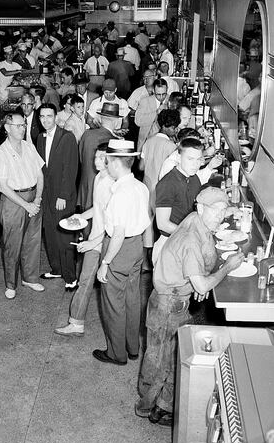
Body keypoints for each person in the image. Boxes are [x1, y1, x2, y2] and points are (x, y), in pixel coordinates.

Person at [135, 187, 244, 425]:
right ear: (202, 208)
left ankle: (156, 404)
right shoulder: (191, 239)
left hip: (169, 299)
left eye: (224, 211)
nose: (220, 216)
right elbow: (203, 286)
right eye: (216, 211)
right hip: (169, 305)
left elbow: (196, 270)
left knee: (163, 355)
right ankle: (151, 408)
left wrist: (197, 281)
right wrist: (227, 268)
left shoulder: (195, 219)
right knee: (166, 358)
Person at [94, 139, 150, 365]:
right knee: (132, 297)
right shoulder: (141, 187)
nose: (106, 165)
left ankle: (116, 354)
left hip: (119, 249)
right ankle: (132, 347)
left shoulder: (120, 194)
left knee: (113, 303)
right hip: (136, 246)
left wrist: (105, 262)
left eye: (107, 161)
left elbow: (117, 234)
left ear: (116, 163)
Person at [55, 143, 114, 336]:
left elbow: (111, 223)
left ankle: (77, 323)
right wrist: (80, 217)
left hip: (102, 241)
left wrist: (92, 243)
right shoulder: (99, 178)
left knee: (87, 281)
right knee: (89, 281)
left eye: (101, 157)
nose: (96, 161)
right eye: (96, 157)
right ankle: (78, 321)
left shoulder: (109, 184)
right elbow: (97, 210)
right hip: (97, 238)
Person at [0, 111, 45, 299]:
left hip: (33, 197)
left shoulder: (29, 147)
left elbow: (40, 175)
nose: (23, 128)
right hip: (13, 201)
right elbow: (3, 187)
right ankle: (11, 284)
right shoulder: (0, 153)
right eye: (18, 125)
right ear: (7, 128)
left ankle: (30, 278)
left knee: (32, 240)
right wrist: (27, 205)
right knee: (12, 244)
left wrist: (37, 199)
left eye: (24, 125)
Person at [154, 138, 221, 262]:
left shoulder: (193, 178)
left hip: (186, 241)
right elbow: (162, 224)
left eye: (199, 160)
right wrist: (193, 233)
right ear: (178, 158)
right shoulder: (167, 183)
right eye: (190, 159)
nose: (195, 164)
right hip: (169, 244)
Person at [36, 104, 79, 290]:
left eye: (49, 116)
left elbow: (70, 169)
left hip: (63, 195)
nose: (45, 120)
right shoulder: (40, 137)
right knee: (51, 234)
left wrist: (63, 195)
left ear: (56, 117)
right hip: (47, 193)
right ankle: (56, 269)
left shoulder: (67, 137)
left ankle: (71, 276)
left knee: (64, 236)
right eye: (42, 116)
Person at [78, 103, 123, 212]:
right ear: (116, 121)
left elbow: (80, 158)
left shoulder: (87, 134)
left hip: (85, 184)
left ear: (101, 118)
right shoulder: (114, 142)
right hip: (103, 188)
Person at [135, 78, 169, 151]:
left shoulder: (170, 100)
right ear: (153, 91)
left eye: (164, 94)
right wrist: (156, 112)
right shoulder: (144, 101)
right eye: (158, 94)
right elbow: (138, 121)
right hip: (146, 142)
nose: (161, 97)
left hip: (165, 143)